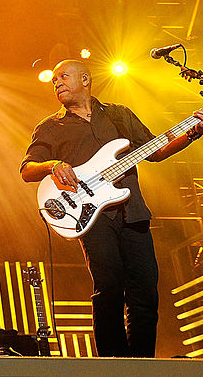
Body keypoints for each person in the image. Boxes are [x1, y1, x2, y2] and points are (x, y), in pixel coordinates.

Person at [20, 59, 203, 357]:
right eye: (54, 80)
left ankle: (142, 365)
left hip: (134, 213)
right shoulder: (51, 126)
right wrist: (53, 165)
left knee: (145, 293)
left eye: (63, 76)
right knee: (109, 289)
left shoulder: (118, 115)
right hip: (92, 217)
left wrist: (193, 132)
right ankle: (113, 364)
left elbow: (156, 151)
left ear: (86, 79)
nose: (57, 83)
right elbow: (27, 169)